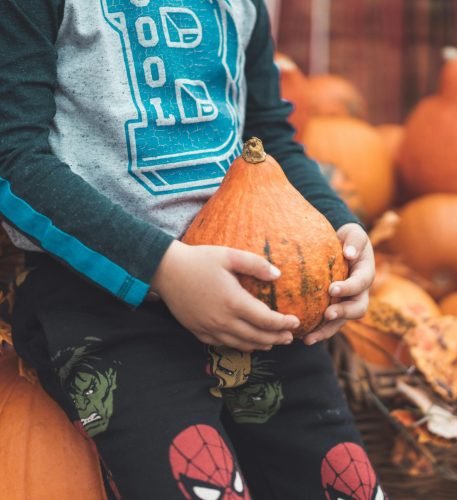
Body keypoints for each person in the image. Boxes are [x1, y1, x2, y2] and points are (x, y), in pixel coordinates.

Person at [1, 0, 383, 498]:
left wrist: (340, 229)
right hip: (100, 299)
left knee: (343, 483)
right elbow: (14, 161)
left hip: (259, 299)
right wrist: (164, 268)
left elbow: (269, 138)